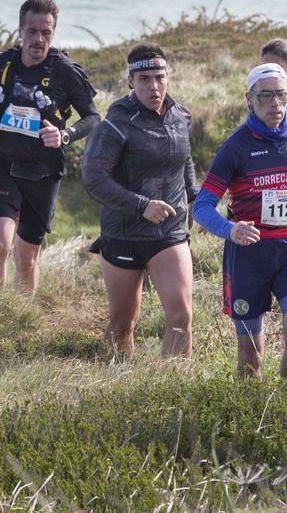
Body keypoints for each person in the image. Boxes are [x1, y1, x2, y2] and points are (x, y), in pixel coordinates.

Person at [192, 63, 287, 379]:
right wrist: (231, 230)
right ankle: (253, 419)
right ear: (249, 98)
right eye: (265, 96)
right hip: (249, 256)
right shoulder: (235, 147)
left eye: (282, 95)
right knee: (251, 357)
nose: (275, 103)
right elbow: (202, 207)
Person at [0, 0, 99, 291]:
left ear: (53, 33)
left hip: (43, 170)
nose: (39, 39)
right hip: (3, 161)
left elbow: (93, 118)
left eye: (46, 32)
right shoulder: (3, 64)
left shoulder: (65, 71)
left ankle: (20, 318)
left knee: (26, 258)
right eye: (32, 32)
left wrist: (64, 135)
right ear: (20, 31)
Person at [82, 43, 196, 357]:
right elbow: (94, 178)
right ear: (131, 81)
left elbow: (184, 158)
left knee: (181, 316)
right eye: (144, 78)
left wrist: (194, 196)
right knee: (123, 323)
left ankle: (173, 389)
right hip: (124, 234)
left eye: (159, 77)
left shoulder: (180, 116)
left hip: (169, 234)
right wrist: (141, 206)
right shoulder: (115, 124)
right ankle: (116, 382)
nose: (153, 86)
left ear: (167, 77)